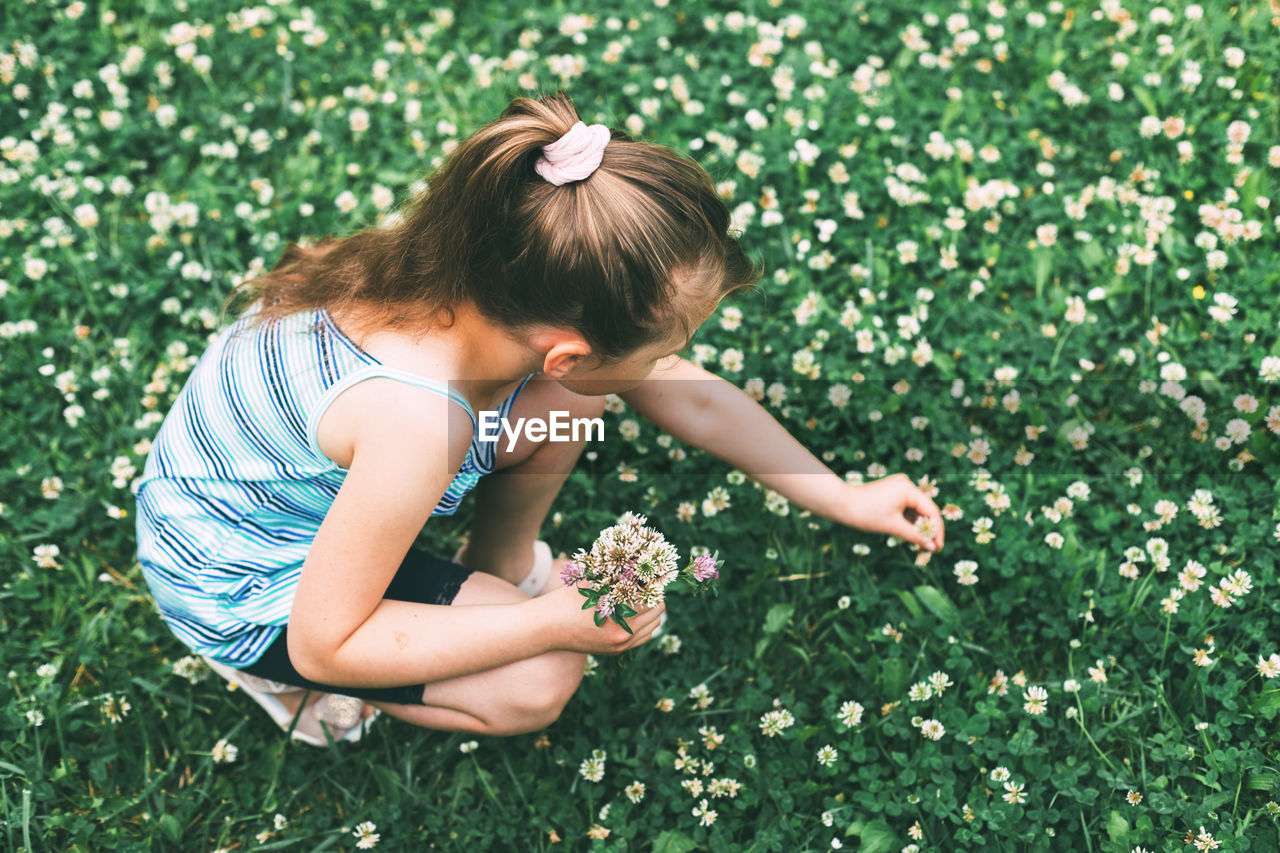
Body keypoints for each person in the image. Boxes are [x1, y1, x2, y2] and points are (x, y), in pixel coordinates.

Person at [135, 91, 945, 745]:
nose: (677, 359)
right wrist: (550, 621)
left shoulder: (462, 278)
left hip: (286, 499)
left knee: (568, 410)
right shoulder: (417, 425)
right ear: (565, 346)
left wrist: (843, 494)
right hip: (245, 584)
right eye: (674, 340)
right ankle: (270, 679)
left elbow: (687, 394)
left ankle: (498, 560)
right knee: (540, 678)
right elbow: (325, 639)